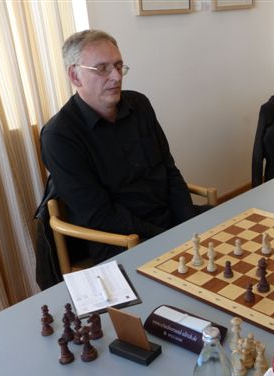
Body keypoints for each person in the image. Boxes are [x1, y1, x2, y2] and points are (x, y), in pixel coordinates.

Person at [40, 30, 196, 264]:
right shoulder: (59, 136)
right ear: (75, 76)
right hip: (120, 242)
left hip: (170, 221)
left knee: (237, 239)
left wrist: (189, 223)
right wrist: (167, 238)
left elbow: (170, 171)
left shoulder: (140, 104)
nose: (116, 77)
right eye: (102, 68)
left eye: (119, 66)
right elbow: (100, 216)